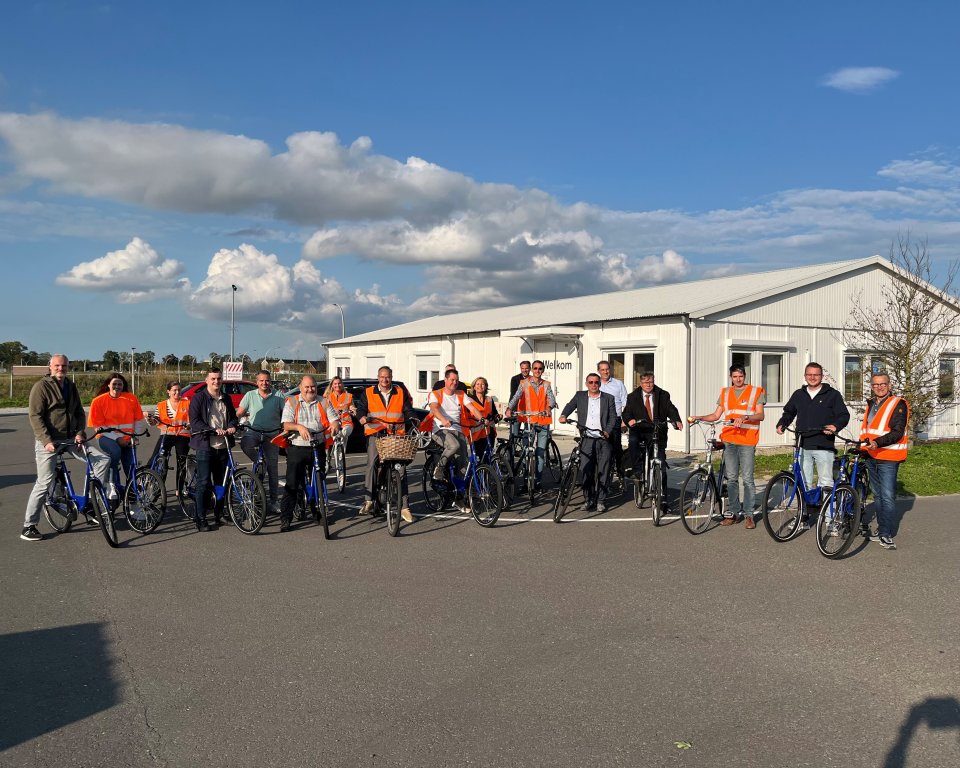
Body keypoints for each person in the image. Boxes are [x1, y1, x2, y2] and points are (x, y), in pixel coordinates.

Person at [21, 355, 110, 542]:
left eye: (64, 366)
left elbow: (78, 411)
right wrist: (46, 441)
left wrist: (80, 433)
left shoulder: (70, 385)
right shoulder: (41, 387)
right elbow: (35, 416)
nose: (61, 368)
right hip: (50, 440)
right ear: (50, 366)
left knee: (102, 460)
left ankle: (93, 505)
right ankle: (29, 526)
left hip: (71, 439)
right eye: (57, 365)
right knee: (44, 481)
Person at [689, 365, 764, 528]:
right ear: (731, 377)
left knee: (748, 479)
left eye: (741, 376)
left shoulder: (755, 391)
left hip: (747, 441)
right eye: (735, 376)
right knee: (731, 479)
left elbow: (761, 415)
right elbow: (716, 415)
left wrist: (745, 417)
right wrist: (699, 417)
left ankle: (749, 515)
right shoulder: (725, 392)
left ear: (745, 376)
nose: (738, 379)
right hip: (729, 439)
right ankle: (734, 513)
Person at [776, 363, 850, 508]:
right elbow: (789, 412)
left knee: (825, 482)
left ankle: (830, 521)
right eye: (809, 374)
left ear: (822, 376)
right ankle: (803, 516)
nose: (812, 377)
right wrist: (782, 424)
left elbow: (843, 415)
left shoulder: (832, 395)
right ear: (805, 376)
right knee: (804, 482)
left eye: (816, 375)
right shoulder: (799, 394)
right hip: (803, 444)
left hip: (823, 444)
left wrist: (835, 426)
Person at [355, 366, 418, 522]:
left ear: (391, 377)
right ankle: (369, 500)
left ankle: (405, 508)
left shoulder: (400, 392)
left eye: (388, 377)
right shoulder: (369, 392)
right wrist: (362, 417)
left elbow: (408, 409)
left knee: (401, 470)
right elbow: (361, 409)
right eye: (382, 377)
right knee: (372, 463)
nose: (385, 380)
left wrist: (412, 417)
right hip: (375, 434)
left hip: (396, 436)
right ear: (378, 377)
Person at [279, 375, 340, 532]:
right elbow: (286, 423)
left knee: (318, 481)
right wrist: (299, 427)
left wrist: (334, 426)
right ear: (300, 388)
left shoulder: (324, 401)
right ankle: (286, 518)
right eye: (306, 387)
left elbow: (334, 419)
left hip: (317, 446)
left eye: (312, 386)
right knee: (292, 483)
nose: (310, 389)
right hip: (297, 447)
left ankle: (317, 512)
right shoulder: (292, 402)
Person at [859, 372, 909, 550]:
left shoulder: (898, 404)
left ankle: (886, 534)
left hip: (888, 456)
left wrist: (877, 443)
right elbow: (868, 429)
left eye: (883, 384)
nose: (879, 387)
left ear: (890, 385)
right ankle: (882, 529)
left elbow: (897, 431)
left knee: (887, 496)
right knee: (878, 496)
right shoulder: (872, 403)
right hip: (872, 455)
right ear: (871, 386)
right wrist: (862, 448)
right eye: (876, 384)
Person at [622, 372, 682, 515]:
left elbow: (670, 409)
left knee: (661, 465)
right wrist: (630, 420)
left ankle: (663, 500)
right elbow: (626, 412)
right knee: (633, 441)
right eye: (645, 383)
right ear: (641, 383)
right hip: (640, 429)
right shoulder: (632, 396)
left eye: (650, 382)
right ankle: (637, 470)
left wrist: (676, 420)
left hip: (657, 430)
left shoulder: (662, 394)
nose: (648, 385)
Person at [188, 368, 239, 531]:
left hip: (223, 446)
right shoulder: (199, 398)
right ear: (207, 380)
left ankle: (219, 514)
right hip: (206, 445)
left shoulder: (226, 398)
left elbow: (233, 418)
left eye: (218, 379)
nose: (216, 382)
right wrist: (211, 429)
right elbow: (195, 421)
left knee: (221, 482)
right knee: (203, 483)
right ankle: (201, 518)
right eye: (213, 379)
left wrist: (232, 426)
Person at [559, 373, 618, 512]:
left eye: (596, 382)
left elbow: (613, 418)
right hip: (586, 438)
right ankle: (588, 499)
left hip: (603, 439)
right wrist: (563, 415)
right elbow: (570, 406)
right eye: (590, 382)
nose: (593, 385)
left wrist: (608, 431)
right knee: (586, 470)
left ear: (600, 384)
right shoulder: (580, 396)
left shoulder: (608, 398)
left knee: (603, 470)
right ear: (586, 384)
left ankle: (601, 500)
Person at [88, 372, 147, 504]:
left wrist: (134, 436)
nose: (117, 386)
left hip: (128, 438)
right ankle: (110, 483)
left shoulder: (131, 399)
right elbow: (98, 426)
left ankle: (134, 503)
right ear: (108, 385)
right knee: (115, 451)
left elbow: (139, 420)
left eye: (120, 384)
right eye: (114, 384)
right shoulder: (98, 401)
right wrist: (116, 439)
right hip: (106, 437)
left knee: (131, 468)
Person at [504, 360, 557, 489]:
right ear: (532, 369)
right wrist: (509, 408)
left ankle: (538, 482)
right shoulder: (524, 383)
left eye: (540, 369)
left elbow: (552, 399)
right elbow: (516, 397)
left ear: (543, 370)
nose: (537, 371)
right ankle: (526, 481)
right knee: (527, 452)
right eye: (535, 368)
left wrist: (549, 407)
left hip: (543, 421)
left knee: (540, 453)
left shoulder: (546, 385)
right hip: (529, 421)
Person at [236, 370, 284, 513]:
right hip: (254, 432)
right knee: (245, 443)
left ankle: (274, 502)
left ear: (270, 381)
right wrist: (234, 421)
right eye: (261, 381)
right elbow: (240, 412)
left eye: (267, 380)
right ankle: (259, 461)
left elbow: (286, 413)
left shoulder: (279, 395)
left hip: (272, 435)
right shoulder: (250, 395)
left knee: (273, 470)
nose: (264, 383)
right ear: (256, 382)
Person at [428, 369, 486, 481]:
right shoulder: (436, 394)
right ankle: (439, 468)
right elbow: (434, 409)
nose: (455, 382)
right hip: (440, 429)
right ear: (445, 380)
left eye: (457, 380)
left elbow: (472, 408)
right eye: (452, 380)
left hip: (457, 429)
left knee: (463, 463)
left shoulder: (461, 394)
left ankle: (460, 492)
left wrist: (482, 419)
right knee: (454, 445)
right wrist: (443, 420)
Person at [147, 380, 191, 496]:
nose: (177, 392)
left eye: (179, 390)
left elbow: (191, 418)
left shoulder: (187, 403)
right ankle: (158, 488)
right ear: (168, 392)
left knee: (181, 462)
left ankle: (179, 489)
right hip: (166, 435)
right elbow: (155, 420)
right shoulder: (161, 405)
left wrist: (190, 424)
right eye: (174, 390)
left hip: (182, 435)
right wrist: (151, 420)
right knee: (159, 460)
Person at [597, 360, 628, 484]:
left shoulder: (618, 384)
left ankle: (620, 473)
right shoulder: (596, 383)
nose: (605, 371)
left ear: (610, 370)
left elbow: (626, 402)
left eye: (607, 369)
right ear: (599, 371)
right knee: (602, 447)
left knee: (616, 447)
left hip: (615, 420)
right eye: (602, 369)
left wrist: (624, 421)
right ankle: (603, 472)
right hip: (600, 421)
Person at [462, 376, 499, 461]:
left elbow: (494, 413)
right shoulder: (468, 400)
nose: (480, 386)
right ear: (474, 387)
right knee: (477, 459)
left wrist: (497, 417)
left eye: (483, 384)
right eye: (477, 384)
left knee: (488, 457)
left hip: (489, 433)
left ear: (486, 386)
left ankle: (487, 474)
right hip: (476, 435)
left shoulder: (489, 399)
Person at [324, 376, 356, 443]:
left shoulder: (348, 396)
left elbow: (352, 408)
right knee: (334, 436)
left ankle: (341, 452)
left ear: (342, 384)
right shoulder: (327, 397)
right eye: (335, 384)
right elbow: (323, 411)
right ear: (332, 385)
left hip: (346, 423)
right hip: (333, 424)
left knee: (344, 433)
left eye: (339, 383)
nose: (337, 385)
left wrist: (353, 411)